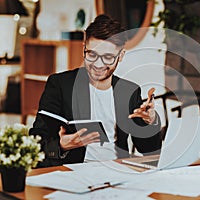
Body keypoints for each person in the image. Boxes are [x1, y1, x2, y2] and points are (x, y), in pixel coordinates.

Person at [29, 14, 162, 167]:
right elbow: (36, 141)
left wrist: (150, 122)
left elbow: (148, 150)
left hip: (119, 170)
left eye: (107, 57)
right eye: (92, 54)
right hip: (75, 171)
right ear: (84, 48)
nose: (98, 64)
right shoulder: (60, 85)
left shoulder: (129, 91)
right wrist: (62, 145)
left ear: (121, 56)